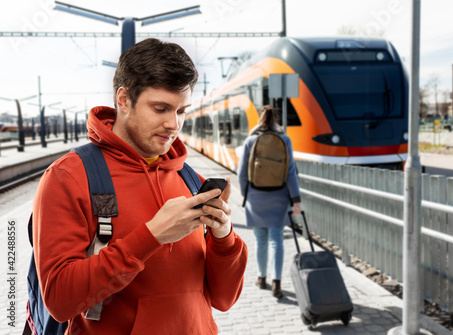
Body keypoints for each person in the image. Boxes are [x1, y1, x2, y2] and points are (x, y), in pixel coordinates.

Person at [33, 38, 248, 334]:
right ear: (123, 100)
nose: (174, 124)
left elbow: (224, 299)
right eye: (160, 108)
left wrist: (224, 239)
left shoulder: (189, 179)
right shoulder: (69, 177)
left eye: (182, 111)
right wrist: (151, 236)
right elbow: (59, 300)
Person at [237, 105, 301, 299]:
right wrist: (295, 200)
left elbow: (241, 174)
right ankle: (277, 283)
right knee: (276, 241)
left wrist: (245, 195)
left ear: (261, 120)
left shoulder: (250, 141)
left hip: (256, 198)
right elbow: (291, 173)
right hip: (279, 197)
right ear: (276, 121)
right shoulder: (285, 140)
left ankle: (261, 278)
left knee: (260, 240)